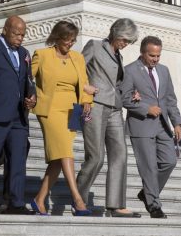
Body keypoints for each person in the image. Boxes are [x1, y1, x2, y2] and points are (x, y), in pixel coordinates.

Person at [77, 18, 141, 217]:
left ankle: (115, 205)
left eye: (128, 41)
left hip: (115, 108)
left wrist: (130, 94)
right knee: (96, 157)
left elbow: (116, 83)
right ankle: (78, 197)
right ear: (115, 33)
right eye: (124, 39)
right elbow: (77, 72)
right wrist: (84, 95)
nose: (125, 44)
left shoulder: (118, 56)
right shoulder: (94, 47)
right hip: (94, 106)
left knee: (120, 154)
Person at [30, 20, 93, 217]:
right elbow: (26, 79)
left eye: (73, 40)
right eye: (67, 40)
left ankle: (39, 199)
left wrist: (87, 100)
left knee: (58, 158)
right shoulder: (42, 55)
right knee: (65, 152)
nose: (70, 44)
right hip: (50, 109)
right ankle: (77, 199)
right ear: (57, 37)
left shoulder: (77, 57)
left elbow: (84, 82)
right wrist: (28, 97)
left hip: (71, 110)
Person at [0, 16, 36, 215]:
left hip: (18, 116)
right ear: (5, 30)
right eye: (16, 34)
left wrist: (32, 97)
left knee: (18, 158)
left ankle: (15, 203)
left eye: (22, 34)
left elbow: (28, 81)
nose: (20, 38)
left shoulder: (24, 53)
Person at [121, 35, 181, 219]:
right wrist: (146, 108)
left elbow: (170, 99)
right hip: (141, 125)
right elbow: (125, 99)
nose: (155, 59)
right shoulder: (130, 71)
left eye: (158, 56)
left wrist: (177, 122)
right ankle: (154, 205)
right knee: (148, 166)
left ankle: (146, 193)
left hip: (163, 125)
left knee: (170, 161)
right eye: (151, 56)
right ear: (142, 52)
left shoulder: (163, 71)